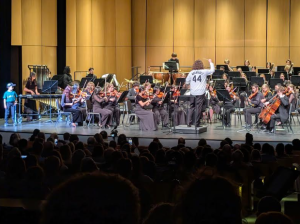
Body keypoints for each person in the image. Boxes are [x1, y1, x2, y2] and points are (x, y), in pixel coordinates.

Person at [185, 59, 215, 127]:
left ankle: (188, 123)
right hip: (200, 93)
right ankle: (196, 123)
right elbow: (212, 70)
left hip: (193, 92)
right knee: (198, 108)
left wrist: (190, 86)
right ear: (202, 65)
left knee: (191, 107)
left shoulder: (191, 72)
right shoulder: (204, 71)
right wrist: (210, 62)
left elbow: (187, 82)